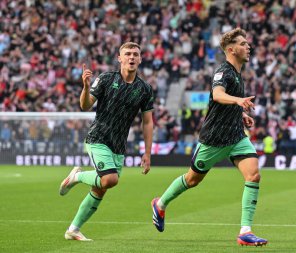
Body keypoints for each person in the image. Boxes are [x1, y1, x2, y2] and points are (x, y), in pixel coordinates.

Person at [151, 28, 268, 247]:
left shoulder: (237, 73)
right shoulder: (223, 71)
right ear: (231, 49)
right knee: (192, 180)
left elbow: (222, 102)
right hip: (214, 139)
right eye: (243, 44)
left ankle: (245, 231)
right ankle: (161, 203)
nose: (248, 46)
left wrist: (240, 113)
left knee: (253, 175)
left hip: (235, 137)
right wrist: (237, 101)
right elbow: (217, 95)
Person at [59, 42, 154, 241]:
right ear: (119, 58)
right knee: (110, 179)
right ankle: (76, 177)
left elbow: (147, 122)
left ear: (140, 59)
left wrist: (147, 152)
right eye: (127, 54)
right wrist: (85, 87)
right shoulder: (105, 79)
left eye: (135, 54)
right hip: (98, 138)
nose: (131, 57)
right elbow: (85, 105)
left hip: (118, 145)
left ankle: (73, 230)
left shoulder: (145, 89)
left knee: (101, 188)